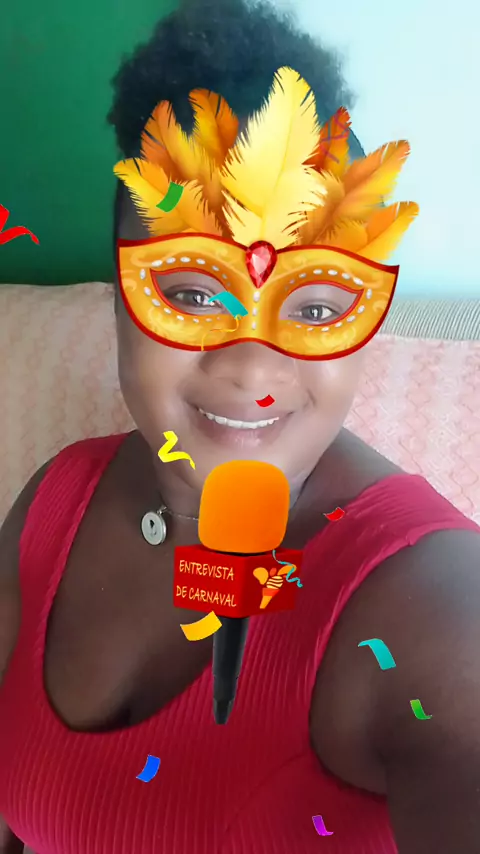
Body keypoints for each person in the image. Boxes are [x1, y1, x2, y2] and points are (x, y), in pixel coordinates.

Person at [1, 0, 479, 852]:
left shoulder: (435, 608)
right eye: (191, 291)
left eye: (318, 305)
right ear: (118, 292)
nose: (254, 369)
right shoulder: (54, 502)